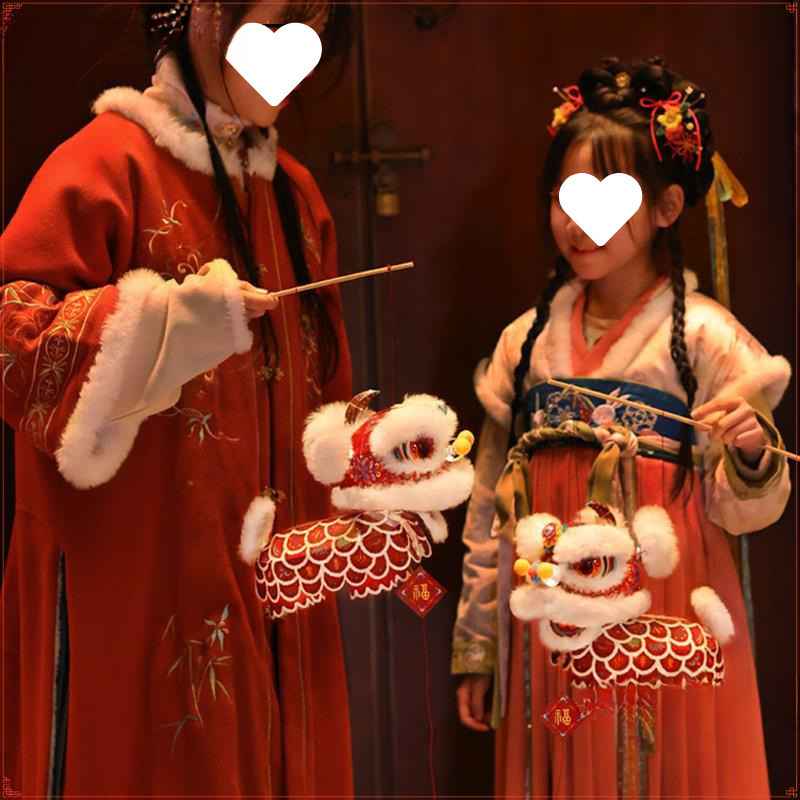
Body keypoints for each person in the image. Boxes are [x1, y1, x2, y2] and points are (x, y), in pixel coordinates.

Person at [1, 1, 356, 796]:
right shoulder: (105, 163)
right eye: (282, 21)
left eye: (317, 28)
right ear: (199, 14)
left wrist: (373, 461)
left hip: (281, 581)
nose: (302, 48)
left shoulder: (296, 195)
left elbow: (326, 400)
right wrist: (160, 326)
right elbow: (9, 337)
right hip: (143, 571)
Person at [452, 56, 791, 798]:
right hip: (552, 616)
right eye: (565, 196)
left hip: (665, 611)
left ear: (667, 206)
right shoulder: (525, 346)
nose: (579, 222)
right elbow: (487, 507)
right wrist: (480, 641)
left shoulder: (706, 340)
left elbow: (748, 510)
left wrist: (751, 454)